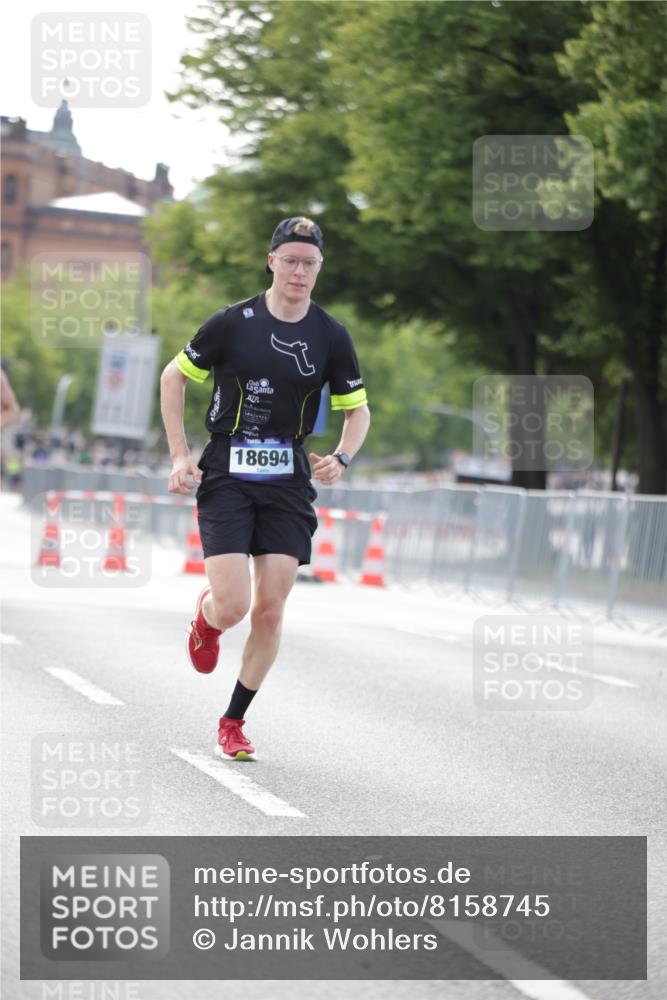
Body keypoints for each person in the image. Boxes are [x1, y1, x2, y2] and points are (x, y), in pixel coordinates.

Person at [160, 216, 370, 761]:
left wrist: (343, 457)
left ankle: (233, 721)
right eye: (291, 260)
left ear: (319, 270)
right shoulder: (233, 322)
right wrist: (181, 454)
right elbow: (173, 376)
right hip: (228, 468)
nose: (300, 271)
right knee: (233, 605)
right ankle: (207, 622)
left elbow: (358, 409)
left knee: (271, 611)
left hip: (287, 476)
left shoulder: (330, 334)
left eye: (311, 263)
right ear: (272, 261)